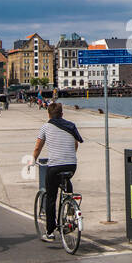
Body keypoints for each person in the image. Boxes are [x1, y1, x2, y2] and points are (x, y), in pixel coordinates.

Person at [31, 102, 83, 242]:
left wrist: (32, 161)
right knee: (66, 182)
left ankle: (49, 232)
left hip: (54, 167)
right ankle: (70, 203)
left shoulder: (45, 127)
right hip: (72, 165)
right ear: (62, 114)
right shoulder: (70, 125)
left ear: (48, 114)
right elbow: (76, 144)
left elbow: (37, 148)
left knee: (51, 197)